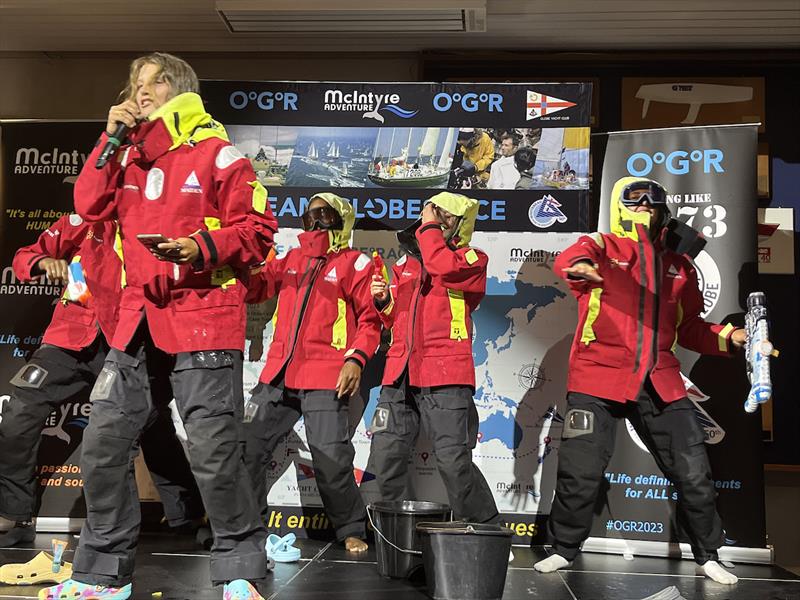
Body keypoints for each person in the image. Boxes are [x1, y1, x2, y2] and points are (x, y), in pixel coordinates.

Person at [39, 52, 277, 600]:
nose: (140, 92)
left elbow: (258, 231)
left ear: (180, 89)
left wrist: (199, 246)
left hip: (203, 323)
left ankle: (241, 570)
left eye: (153, 82)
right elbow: (86, 204)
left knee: (215, 452)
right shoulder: (127, 157)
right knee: (101, 443)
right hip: (135, 324)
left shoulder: (219, 154)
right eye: (135, 84)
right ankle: (103, 576)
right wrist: (109, 140)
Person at [534, 177, 746, 585]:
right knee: (581, 471)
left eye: (653, 199)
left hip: (660, 377)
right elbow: (569, 263)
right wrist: (580, 269)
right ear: (619, 205)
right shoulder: (601, 245)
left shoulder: (680, 266)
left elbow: (692, 330)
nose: (645, 204)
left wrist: (731, 337)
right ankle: (562, 549)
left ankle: (708, 554)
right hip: (598, 374)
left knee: (693, 469)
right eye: (634, 198)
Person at [0, 215, 203, 551]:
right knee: (21, 409)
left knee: (151, 423)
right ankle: (14, 512)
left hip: (125, 342)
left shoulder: (152, 216)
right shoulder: (83, 221)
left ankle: (188, 514)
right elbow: (24, 257)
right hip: (70, 337)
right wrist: (44, 261)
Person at [243, 193, 381, 553]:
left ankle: (351, 527)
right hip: (278, 372)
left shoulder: (357, 264)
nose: (314, 222)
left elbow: (371, 320)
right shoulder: (292, 259)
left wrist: (355, 359)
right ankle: (247, 526)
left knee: (330, 456)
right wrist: (242, 263)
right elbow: (256, 287)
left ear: (340, 220)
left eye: (322, 215)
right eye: (309, 216)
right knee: (246, 445)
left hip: (324, 374)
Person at [367, 192, 501, 525]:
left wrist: (427, 226)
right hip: (399, 373)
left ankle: (484, 529)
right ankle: (393, 536)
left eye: (446, 217)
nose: (436, 220)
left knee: (454, 462)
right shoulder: (406, 265)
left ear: (461, 225)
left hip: (446, 373)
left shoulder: (472, 258)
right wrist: (384, 301)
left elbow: (441, 265)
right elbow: (394, 319)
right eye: (433, 213)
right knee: (385, 456)